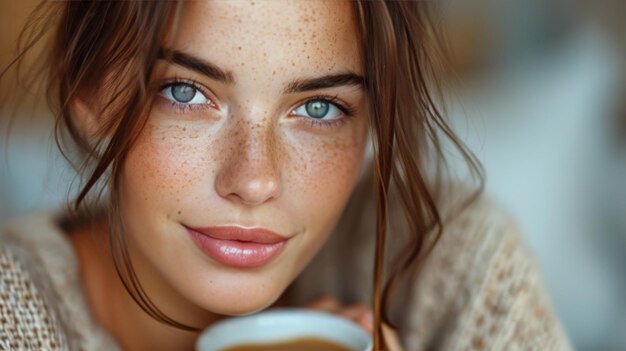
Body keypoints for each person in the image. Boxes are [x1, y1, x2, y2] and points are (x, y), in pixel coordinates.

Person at [0, 1, 571, 350]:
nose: (254, 181)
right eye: (185, 92)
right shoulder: (13, 312)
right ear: (91, 89)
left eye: (318, 108)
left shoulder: (454, 267)